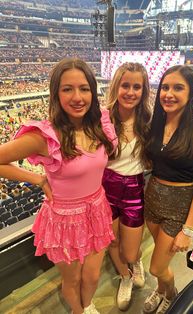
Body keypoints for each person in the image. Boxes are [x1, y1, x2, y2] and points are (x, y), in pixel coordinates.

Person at [0, 58, 117, 314]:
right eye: (67, 89)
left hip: (96, 210)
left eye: (84, 88)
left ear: (92, 91)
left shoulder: (100, 125)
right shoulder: (43, 136)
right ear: (56, 93)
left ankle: (87, 305)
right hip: (64, 220)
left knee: (93, 276)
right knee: (72, 279)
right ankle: (80, 311)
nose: (78, 97)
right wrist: (37, 179)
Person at [143, 65, 193, 314]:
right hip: (151, 200)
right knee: (161, 261)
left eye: (177, 88)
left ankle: (170, 292)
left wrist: (188, 230)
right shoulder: (156, 123)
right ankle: (162, 290)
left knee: (156, 267)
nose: (169, 93)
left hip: (178, 207)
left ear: (191, 92)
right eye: (165, 87)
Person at [102, 62, 152, 310]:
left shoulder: (150, 120)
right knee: (111, 242)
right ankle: (125, 277)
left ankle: (135, 263)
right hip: (105, 190)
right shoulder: (102, 118)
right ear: (116, 87)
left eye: (137, 86)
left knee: (131, 251)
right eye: (125, 85)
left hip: (134, 191)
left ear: (144, 91)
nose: (130, 92)